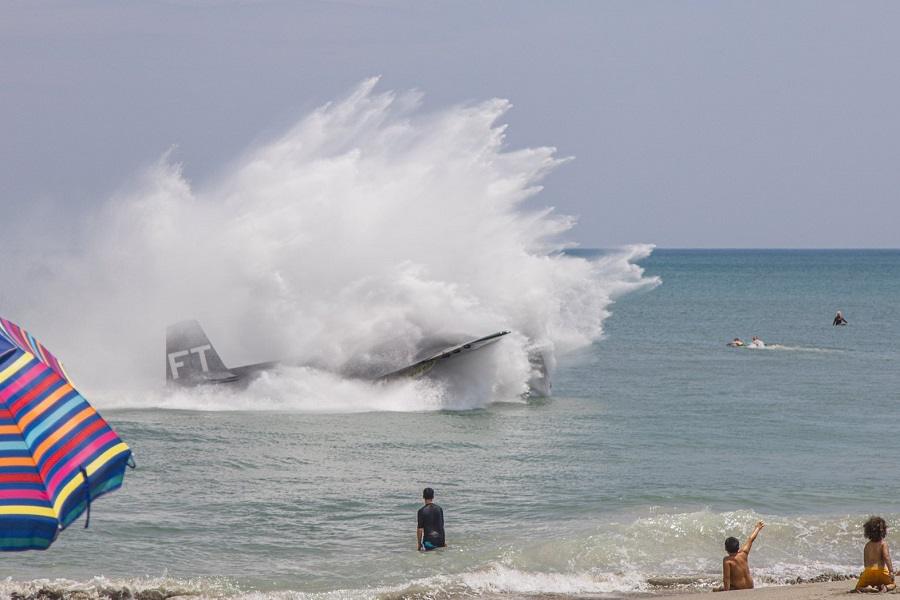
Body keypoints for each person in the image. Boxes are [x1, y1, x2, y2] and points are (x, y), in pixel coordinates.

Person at [716, 520, 765, 591]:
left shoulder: (727, 560)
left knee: (716, 589)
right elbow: (750, 539)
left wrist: (726, 593)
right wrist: (757, 528)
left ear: (726, 548)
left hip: (739, 589)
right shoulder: (744, 553)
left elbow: (726, 578)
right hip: (750, 586)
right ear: (738, 547)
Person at [854, 516, 895, 592]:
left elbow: (866, 564)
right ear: (883, 531)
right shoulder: (883, 544)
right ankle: (885, 588)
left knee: (858, 588)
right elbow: (886, 557)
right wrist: (891, 571)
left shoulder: (867, 545)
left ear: (868, 532)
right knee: (893, 584)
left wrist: (864, 574)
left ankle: (867, 588)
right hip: (881, 572)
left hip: (869, 572)